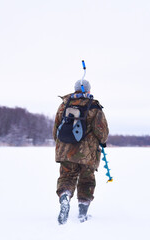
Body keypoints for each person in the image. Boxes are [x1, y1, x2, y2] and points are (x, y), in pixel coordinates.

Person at [53, 79, 109, 224]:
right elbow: (102, 132)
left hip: (66, 152)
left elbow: (56, 130)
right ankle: (82, 214)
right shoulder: (94, 107)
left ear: (75, 89)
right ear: (88, 91)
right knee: (86, 181)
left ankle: (65, 196)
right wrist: (102, 141)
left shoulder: (64, 105)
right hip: (87, 154)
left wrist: (62, 147)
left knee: (67, 177)